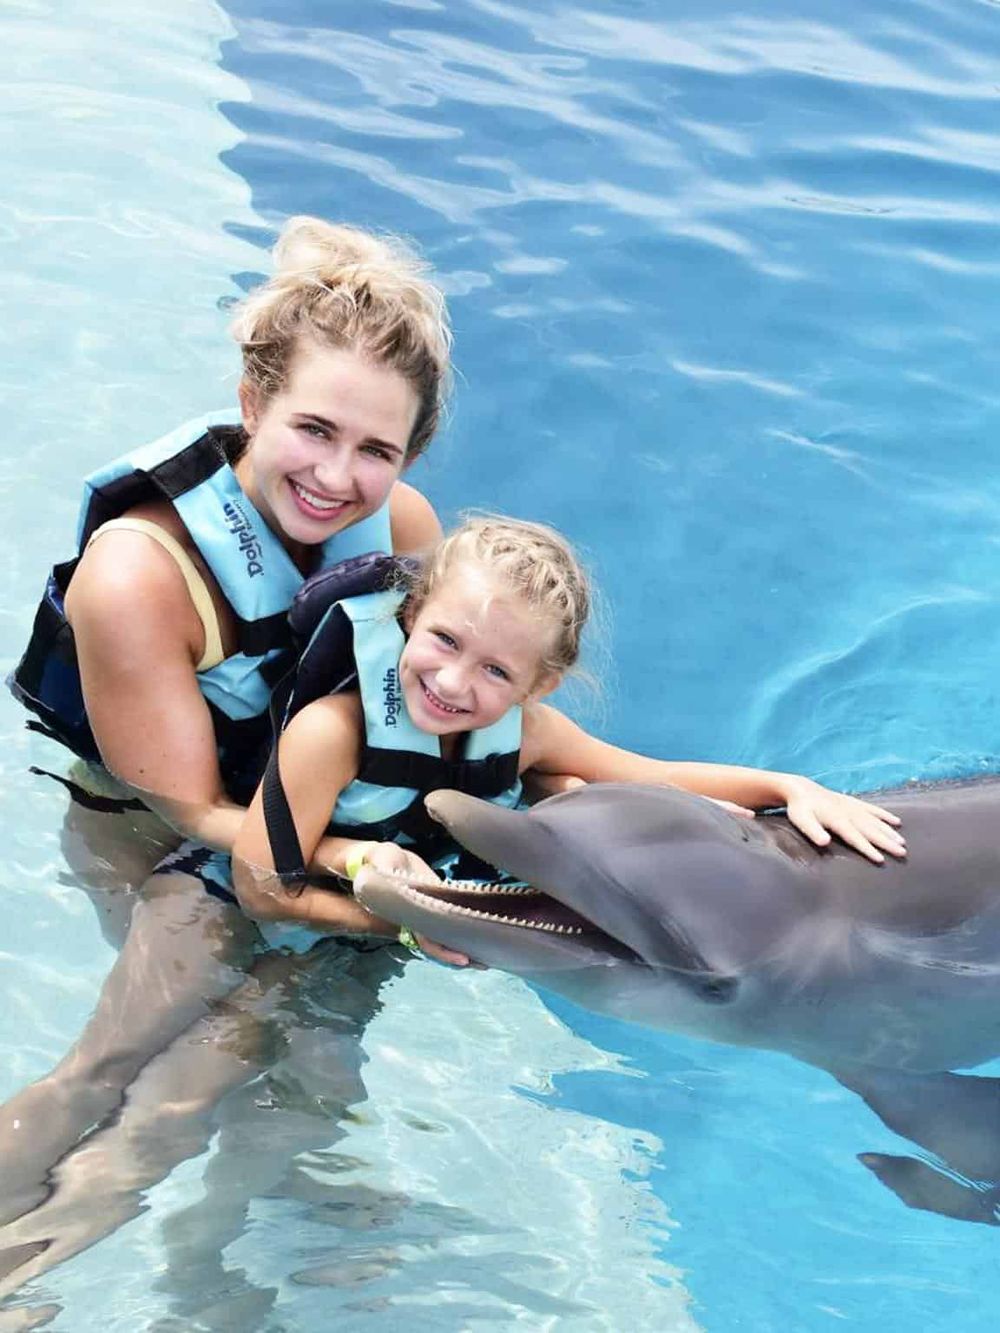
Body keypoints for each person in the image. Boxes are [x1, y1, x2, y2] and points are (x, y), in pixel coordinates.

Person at [0, 215, 453, 1230]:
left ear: (411, 453)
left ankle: (247, 1233)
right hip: (153, 829)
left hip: (305, 818)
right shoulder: (139, 574)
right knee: (132, 1069)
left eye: (376, 450)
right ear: (252, 403)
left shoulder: (406, 529)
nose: (336, 478)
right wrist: (361, 871)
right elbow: (191, 809)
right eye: (313, 430)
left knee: (295, 1042)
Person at [229, 515, 906, 956]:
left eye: (496, 670)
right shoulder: (332, 733)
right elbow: (261, 888)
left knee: (321, 1092)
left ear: (539, 685)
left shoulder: (526, 732)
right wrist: (412, 922)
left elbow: (652, 775)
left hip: (380, 933)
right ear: (412, 613)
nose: (454, 682)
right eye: (445, 639)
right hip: (241, 913)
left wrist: (789, 786)